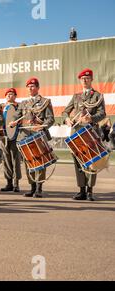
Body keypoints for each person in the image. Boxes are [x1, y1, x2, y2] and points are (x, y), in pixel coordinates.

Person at [63, 69, 106, 201]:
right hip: (76, 133)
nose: (85, 80)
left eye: (87, 78)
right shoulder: (76, 96)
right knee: (78, 161)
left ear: (91, 79)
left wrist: (91, 119)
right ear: (80, 81)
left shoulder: (98, 96)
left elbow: (102, 113)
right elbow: (65, 111)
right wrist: (67, 119)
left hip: (90, 132)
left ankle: (90, 191)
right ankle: (81, 190)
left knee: (91, 161)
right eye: (82, 79)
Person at [11, 78, 55, 198]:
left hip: (38, 135)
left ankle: (39, 188)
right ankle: (32, 187)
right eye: (28, 86)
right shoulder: (23, 103)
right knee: (28, 163)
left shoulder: (45, 101)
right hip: (25, 136)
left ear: (37, 87)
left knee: (40, 161)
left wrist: (41, 126)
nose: (30, 88)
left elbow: (50, 119)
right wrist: (13, 121)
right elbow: (16, 116)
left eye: (33, 86)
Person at [0, 88, 22, 193]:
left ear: (15, 96)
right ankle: (8, 182)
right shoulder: (1, 107)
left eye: (12, 94)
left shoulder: (19, 107)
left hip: (15, 136)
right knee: (6, 159)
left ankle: (16, 183)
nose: (9, 96)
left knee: (15, 159)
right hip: (4, 136)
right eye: (8, 94)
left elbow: (22, 119)